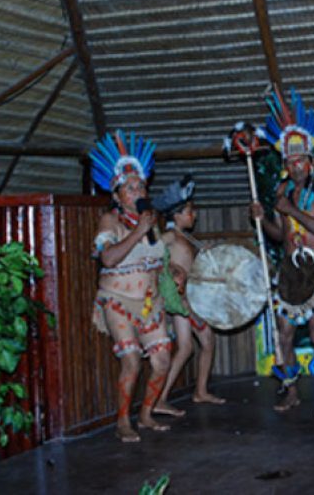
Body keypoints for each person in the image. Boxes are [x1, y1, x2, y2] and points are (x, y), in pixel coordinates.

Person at [250, 95, 314, 416]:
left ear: (311, 162)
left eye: (301, 161)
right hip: (290, 273)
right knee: (285, 334)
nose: (296, 167)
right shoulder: (283, 193)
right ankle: (291, 390)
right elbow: (281, 236)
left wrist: (291, 209)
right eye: (290, 162)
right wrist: (263, 218)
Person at [89, 130, 174, 442]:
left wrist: (172, 270)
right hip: (118, 299)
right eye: (130, 188)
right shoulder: (109, 222)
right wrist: (138, 231)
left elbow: (156, 257)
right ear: (117, 194)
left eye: (141, 186)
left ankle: (147, 414)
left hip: (149, 301)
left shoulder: (150, 221)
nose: (137, 192)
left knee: (163, 360)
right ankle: (123, 420)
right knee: (132, 360)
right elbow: (108, 259)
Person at [151, 176, 226, 418]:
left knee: (186, 348)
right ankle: (182, 394)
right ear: (177, 215)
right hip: (179, 302)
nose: (194, 215)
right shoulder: (171, 236)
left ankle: (176, 396)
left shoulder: (185, 238)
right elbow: (153, 254)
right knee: (206, 339)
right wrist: (170, 270)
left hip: (185, 301)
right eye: (190, 211)